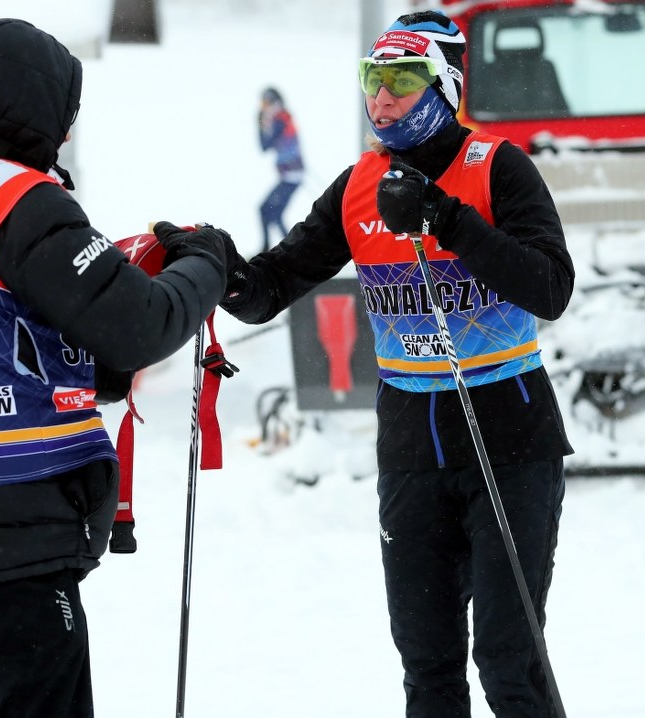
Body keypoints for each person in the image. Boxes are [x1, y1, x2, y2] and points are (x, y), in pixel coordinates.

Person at [0, 18, 233, 718]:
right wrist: (204, 264)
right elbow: (141, 325)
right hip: (12, 524)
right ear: (40, 107)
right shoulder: (11, 196)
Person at [220, 11, 574, 718]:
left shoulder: (498, 167)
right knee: (427, 668)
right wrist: (209, 264)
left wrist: (448, 219)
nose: (380, 99)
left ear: (444, 87)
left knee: (508, 664)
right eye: (371, 79)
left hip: (508, 440)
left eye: (402, 81)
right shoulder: (359, 186)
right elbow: (266, 289)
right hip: (412, 448)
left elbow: (550, 288)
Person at [258, 86, 304, 252]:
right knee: (272, 212)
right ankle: (291, 249)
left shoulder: (280, 119)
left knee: (267, 210)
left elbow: (265, 145)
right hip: (291, 175)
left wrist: (260, 122)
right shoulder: (281, 117)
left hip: (291, 176)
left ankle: (281, 249)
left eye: (264, 103)